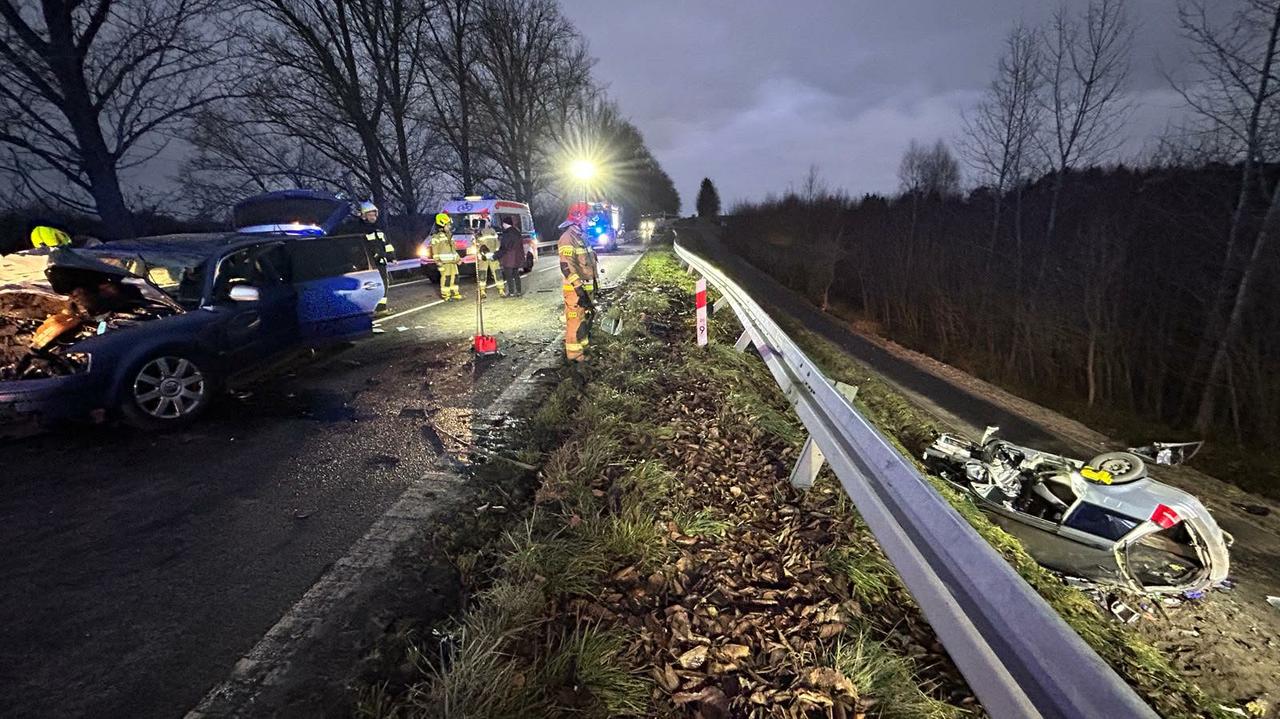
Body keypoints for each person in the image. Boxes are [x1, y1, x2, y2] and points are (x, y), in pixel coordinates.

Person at [557, 203, 594, 362]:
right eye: (587, 216)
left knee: (583, 319)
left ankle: (583, 350)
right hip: (575, 291)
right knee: (574, 321)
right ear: (578, 217)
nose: (589, 220)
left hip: (585, 288)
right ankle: (574, 357)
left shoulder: (581, 237)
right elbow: (567, 267)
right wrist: (579, 290)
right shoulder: (568, 238)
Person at [357, 201, 396, 314]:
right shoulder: (361, 231)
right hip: (370, 264)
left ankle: (381, 308)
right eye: (370, 214)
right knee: (372, 287)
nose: (373, 217)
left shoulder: (378, 230)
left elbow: (387, 245)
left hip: (381, 262)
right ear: (364, 216)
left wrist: (392, 257)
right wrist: (375, 255)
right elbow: (364, 248)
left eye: (374, 214)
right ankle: (371, 309)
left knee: (384, 284)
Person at [428, 213, 462, 300]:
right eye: (448, 225)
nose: (449, 226)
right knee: (446, 278)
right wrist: (438, 261)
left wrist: (458, 259)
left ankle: (455, 293)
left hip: (453, 262)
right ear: (442, 225)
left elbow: (453, 250)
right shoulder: (436, 237)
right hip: (443, 263)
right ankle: (446, 295)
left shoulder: (450, 236)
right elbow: (435, 251)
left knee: (455, 277)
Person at [473, 219, 504, 298]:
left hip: (488, 257)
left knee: (494, 273)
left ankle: (486, 291)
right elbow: (497, 243)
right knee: (492, 273)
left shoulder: (480, 233)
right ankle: (497, 290)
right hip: (487, 257)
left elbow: (497, 243)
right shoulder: (480, 233)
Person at [495, 216, 525, 298]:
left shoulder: (507, 234)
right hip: (516, 258)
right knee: (516, 275)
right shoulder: (517, 232)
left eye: (503, 223)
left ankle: (511, 292)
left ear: (505, 224)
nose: (503, 225)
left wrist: (496, 256)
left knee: (509, 276)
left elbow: (504, 247)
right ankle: (518, 291)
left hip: (508, 258)